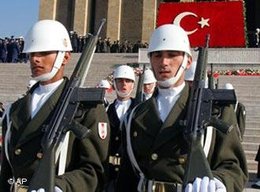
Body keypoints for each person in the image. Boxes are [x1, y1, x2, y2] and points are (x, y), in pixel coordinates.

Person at [116, 24, 248, 192]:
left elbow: (234, 167)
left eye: (172, 55)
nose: (164, 62)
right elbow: (127, 178)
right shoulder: (135, 115)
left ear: (188, 61)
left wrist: (219, 183)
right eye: (157, 56)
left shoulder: (215, 110)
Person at [0, 20, 110, 192]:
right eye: (32, 53)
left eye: (44, 52)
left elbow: (93, 171)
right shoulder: (15, 109)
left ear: (65, 57)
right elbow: (7, 172)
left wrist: (59, 186)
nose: (35, 59)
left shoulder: (86, 108)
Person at [104, 65, 137, 191]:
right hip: (111, 173)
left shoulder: (140, 110)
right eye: (120, 80)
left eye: (128, 81)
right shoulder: (106, 110)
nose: (124, 84)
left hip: (132, 173)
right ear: (114, 83)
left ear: (133, 84)